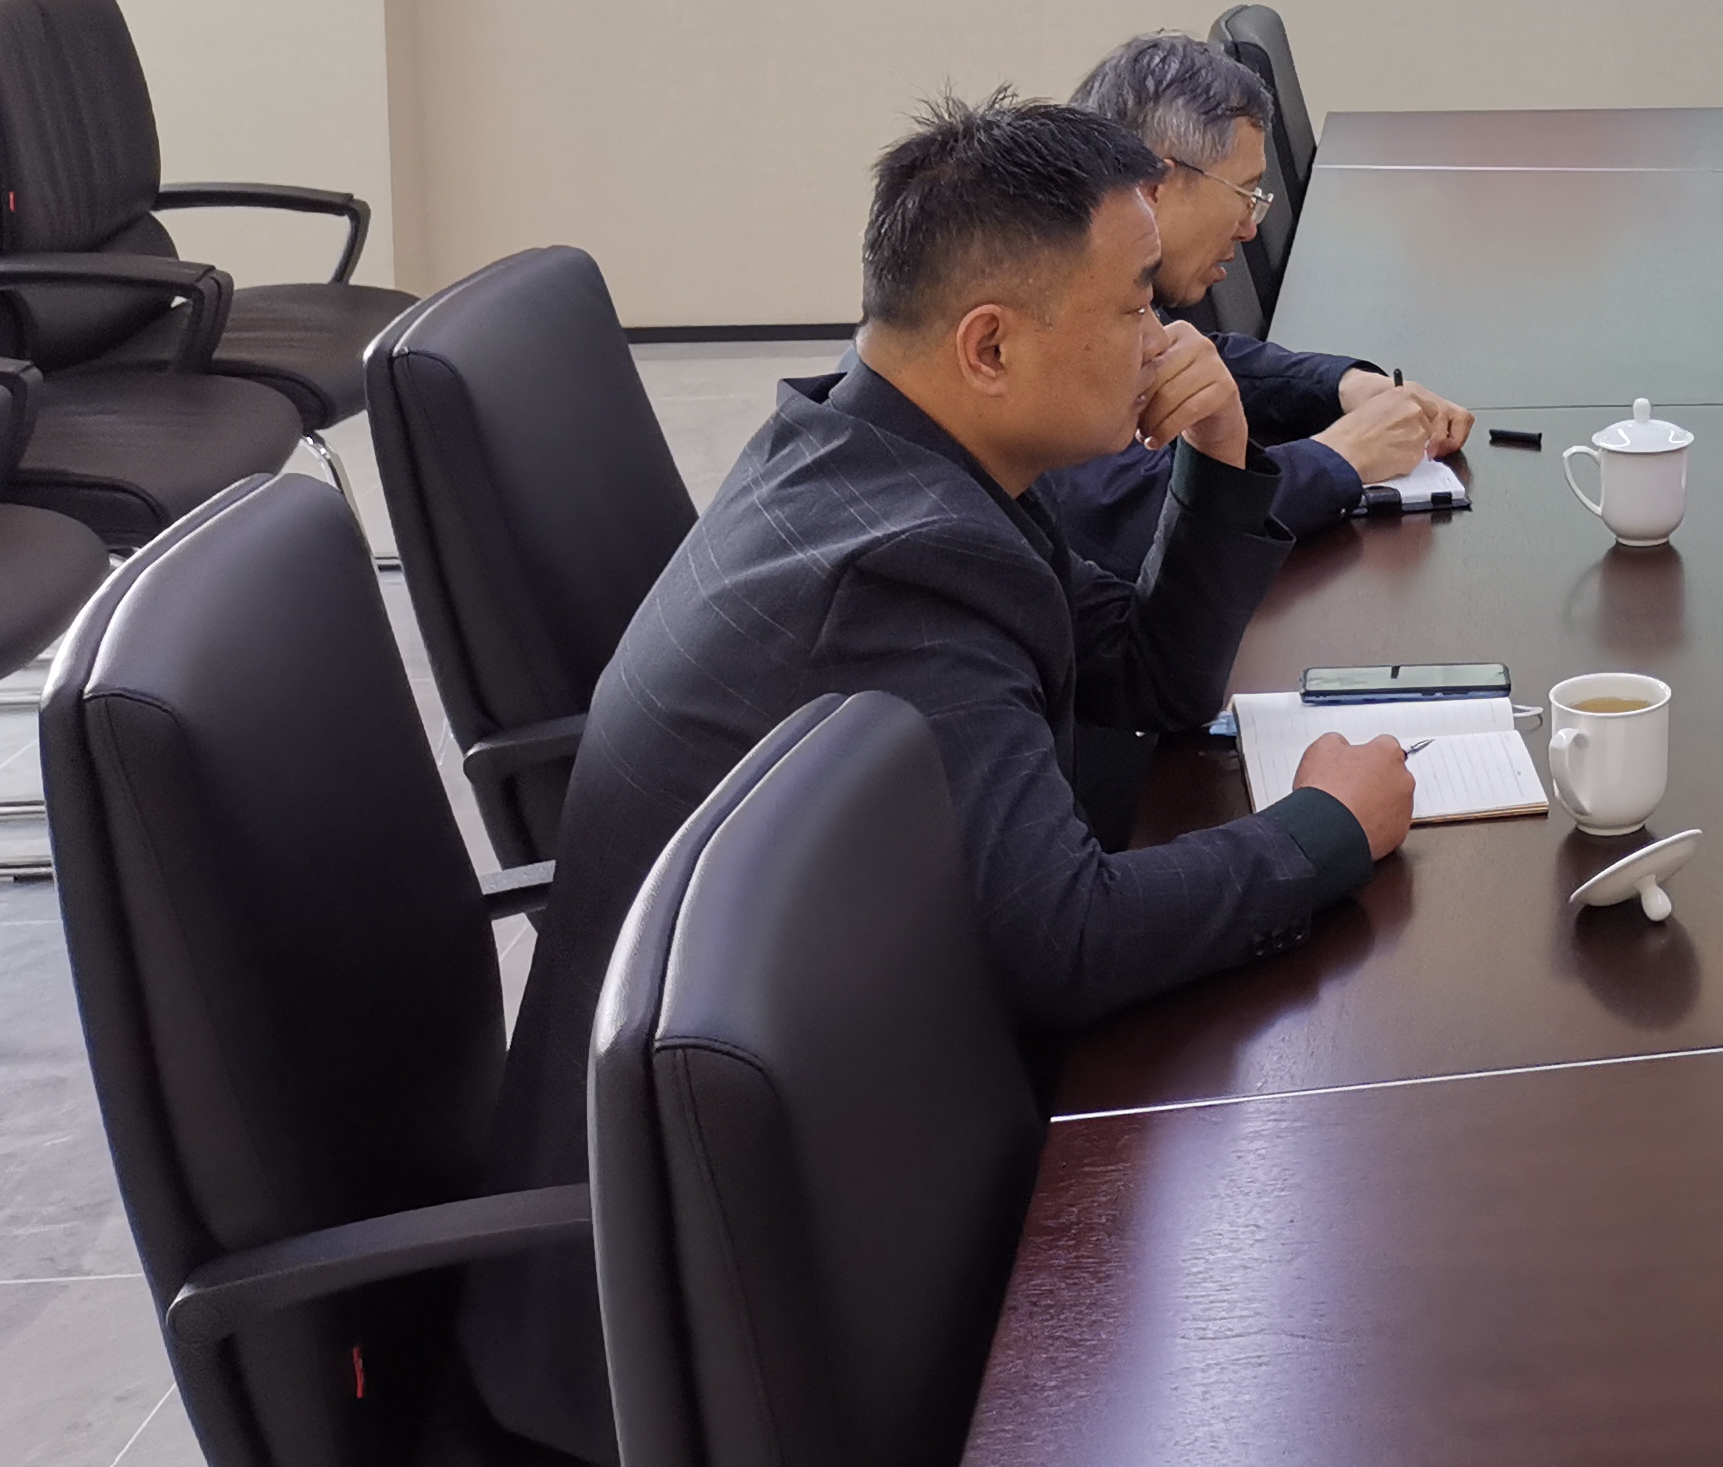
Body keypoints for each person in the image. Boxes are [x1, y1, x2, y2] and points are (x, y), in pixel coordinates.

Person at [464, 96, 1416, 1460]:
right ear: (989, 346)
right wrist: (1323, 834)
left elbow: (1146, 681)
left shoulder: (891, 454)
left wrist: (1220, 461)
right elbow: (1067, 941)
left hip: (799, 1122)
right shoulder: (899, 571)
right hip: (695, 1296)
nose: (1167, 337)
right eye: (1133, 304)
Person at [1038, 31, 1474, 577]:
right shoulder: (1051, 300)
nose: (1249, 228)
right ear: (1156, 186)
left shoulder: (1100, 271)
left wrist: (1341, 386)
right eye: (1245, 194)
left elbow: (1198, 356)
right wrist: (1343, 456)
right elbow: (1141, 522)